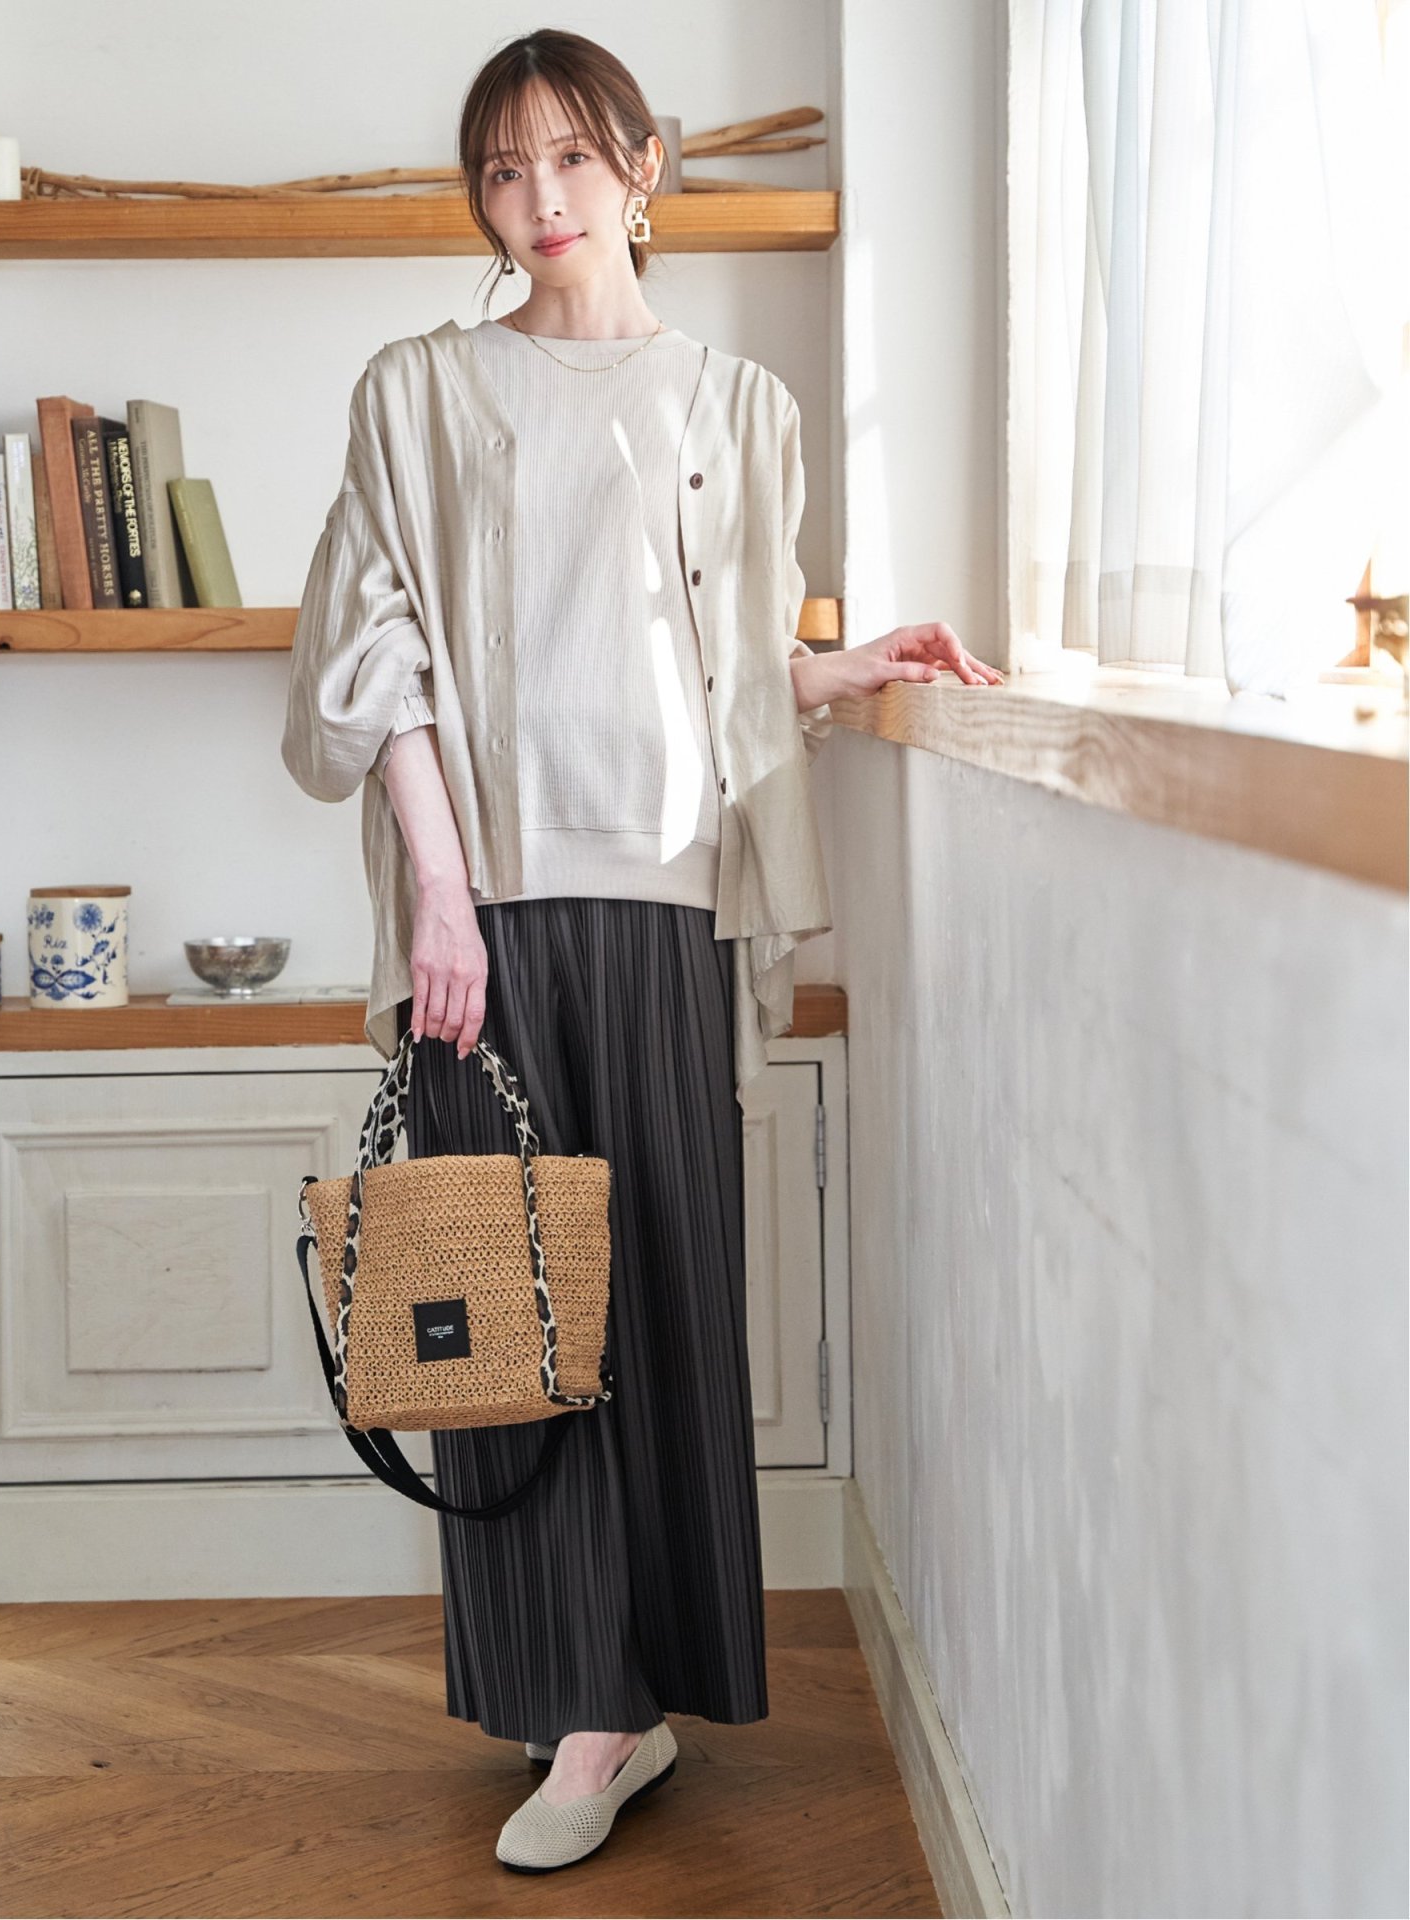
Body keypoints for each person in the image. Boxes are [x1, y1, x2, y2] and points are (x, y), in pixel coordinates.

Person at [282, 27, 1000, 1872]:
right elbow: (376, 653)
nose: (538, 201)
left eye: (571, 161)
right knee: (499, 1306)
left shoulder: (738, 407)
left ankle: (628, 1701)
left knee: (662, 1290)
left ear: (641, 166)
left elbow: (718, 669)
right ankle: (573, 1697)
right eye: (502, 170)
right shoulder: (418, 389)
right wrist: (441, 897)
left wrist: (849, 669)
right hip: (487, 914)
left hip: (671, 903)